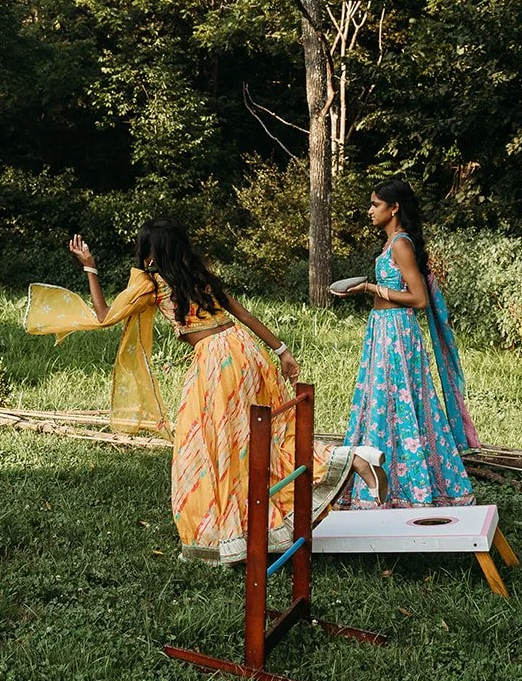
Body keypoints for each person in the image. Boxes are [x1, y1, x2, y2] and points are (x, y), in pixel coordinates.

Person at [25, 218, 386, 565]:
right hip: (246, 353)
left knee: (210, 449)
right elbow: (243, 315)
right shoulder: (198, 275)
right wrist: (282, 352)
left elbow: (104, 316)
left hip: (215, 365)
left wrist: (90, 268)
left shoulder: (151, 284)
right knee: (264, 438)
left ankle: (229, 535)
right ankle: (347, 459)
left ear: (150, 254)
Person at [333, 178, 479, 508]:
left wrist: (370, 289)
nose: (369, 210)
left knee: (403, 405)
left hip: (398, 333)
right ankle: (388, 484)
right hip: (382, 329)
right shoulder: (390, 245)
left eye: (375, 204)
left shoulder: (401, 243)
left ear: (394, 207)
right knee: (382, 405)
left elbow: (419, 299)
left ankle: (414, 489)